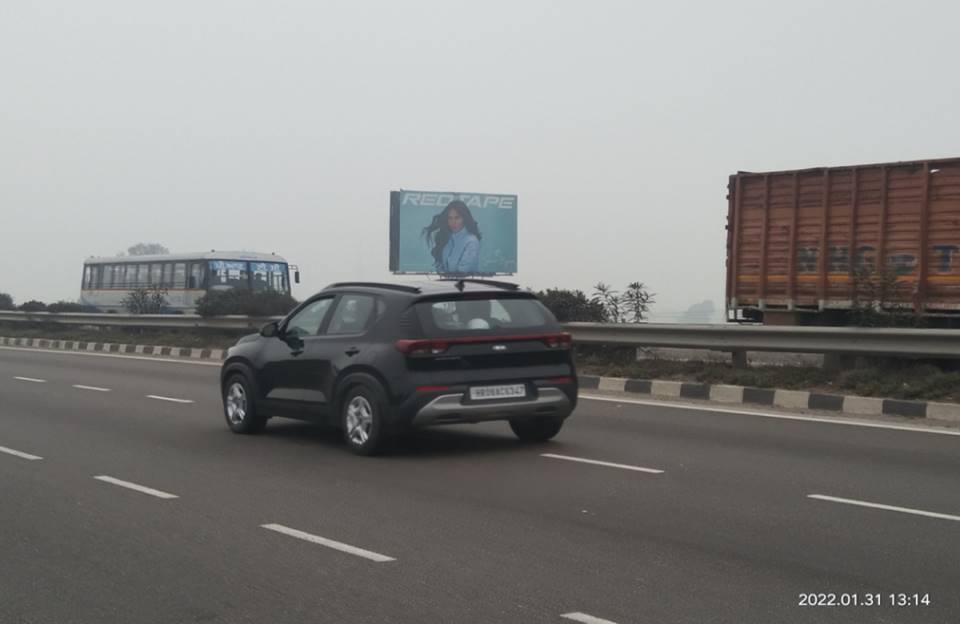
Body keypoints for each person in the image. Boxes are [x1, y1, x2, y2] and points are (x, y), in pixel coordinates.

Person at [422, 200, 482, 274]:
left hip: (464, 281)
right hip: (445, 281)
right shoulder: (447, 238)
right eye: (450, 218)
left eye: (457, 218)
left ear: (464, 218)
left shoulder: (471, 242)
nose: (453, 222)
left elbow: (462, 273)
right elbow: (440, 266)